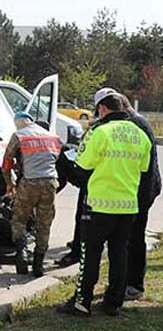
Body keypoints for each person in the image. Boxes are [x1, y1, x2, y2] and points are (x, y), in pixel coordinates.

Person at [57, 89, 151, 317]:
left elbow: (82, 170)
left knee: (90, 254)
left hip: (99, 206)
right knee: (119, 254)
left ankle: (82, 302)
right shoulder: (140, 135)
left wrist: (62, 160)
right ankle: (113, 302)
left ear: (103, 109)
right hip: (128, 207)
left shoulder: (100, 132)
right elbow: (143, 170)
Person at [2, 111, 61, 277]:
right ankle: (38, 265)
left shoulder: (19, 135)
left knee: (19, 219)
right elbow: (55, 160)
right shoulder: (52, 137)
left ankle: (21, 252)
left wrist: (9, 184)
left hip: (29, 183)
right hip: (49, 183)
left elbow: (6, 162)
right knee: (44, 223)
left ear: (18, 123)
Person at [119, 94, 161, 301]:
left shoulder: (136, 125)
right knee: (130, 239)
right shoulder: (137, 122)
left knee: (134, 240)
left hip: (141, 194)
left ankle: (134, 284)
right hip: (140, 192)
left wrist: (141, 198)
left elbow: (147, 168)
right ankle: (128, 281)